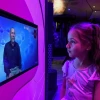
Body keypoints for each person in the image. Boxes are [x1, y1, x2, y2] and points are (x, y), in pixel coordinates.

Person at [60, 22, 100, 100]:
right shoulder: (67, 66)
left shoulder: (95, 72)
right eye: (68, 41)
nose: (67, 46)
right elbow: (64, 87)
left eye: (73, 42)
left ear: (88, 45)